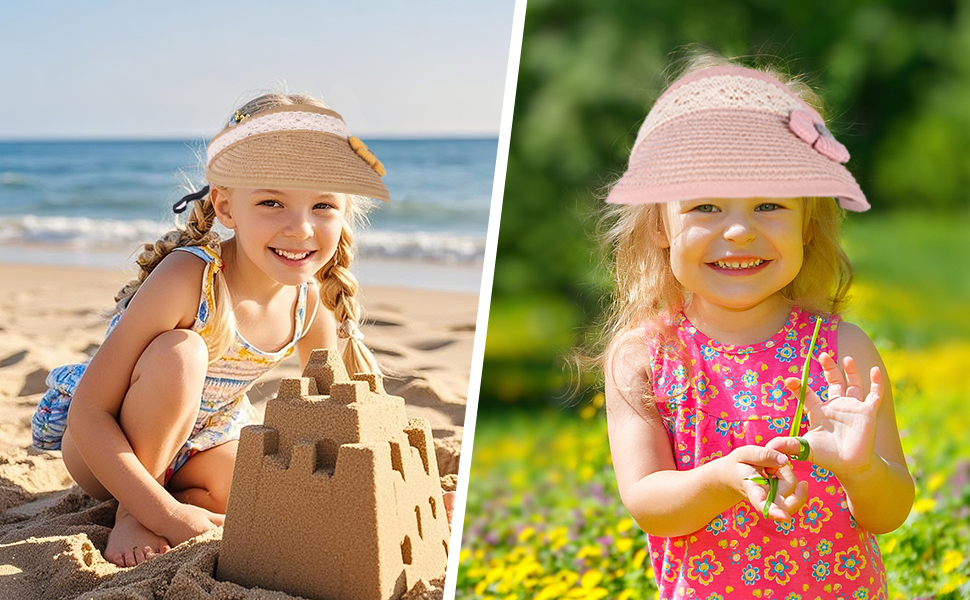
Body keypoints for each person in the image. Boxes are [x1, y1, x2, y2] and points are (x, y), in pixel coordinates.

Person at [600, 54, 914, 597]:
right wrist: (719, 481)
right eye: (706, 207)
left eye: (769, 204)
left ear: (808, 225)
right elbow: (648, 503)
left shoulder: (840, 350)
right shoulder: (643, 357)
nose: (740, 230)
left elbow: (890, 512)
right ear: (658, 225)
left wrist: (862, 469)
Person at [31, 94, 391, 567]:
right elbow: (89, 413)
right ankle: (135, 511)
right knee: (182, 353)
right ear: (225, 205)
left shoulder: (309, 303)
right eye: (271, 201)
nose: (300, 228)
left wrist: (394, 499)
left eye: (322, 205)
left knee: (268, 490)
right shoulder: (188, 277)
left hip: (205, 440)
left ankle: (176, 499)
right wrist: (154, 512)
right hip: (108, 443)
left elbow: (336, 420)